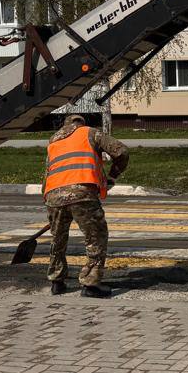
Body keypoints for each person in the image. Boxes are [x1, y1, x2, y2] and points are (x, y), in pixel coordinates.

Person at [43, 114, 129, 297]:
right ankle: (90, 284)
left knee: (58, 239)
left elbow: (48, 172)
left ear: (65, 126)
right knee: (95, 236)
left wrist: (51, 202)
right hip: (82, 192)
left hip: (53, 195)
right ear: (81, 124)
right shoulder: (90, 133)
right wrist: (112, 177)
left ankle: (56, 282)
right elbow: (121, 151)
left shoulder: (53, 140)